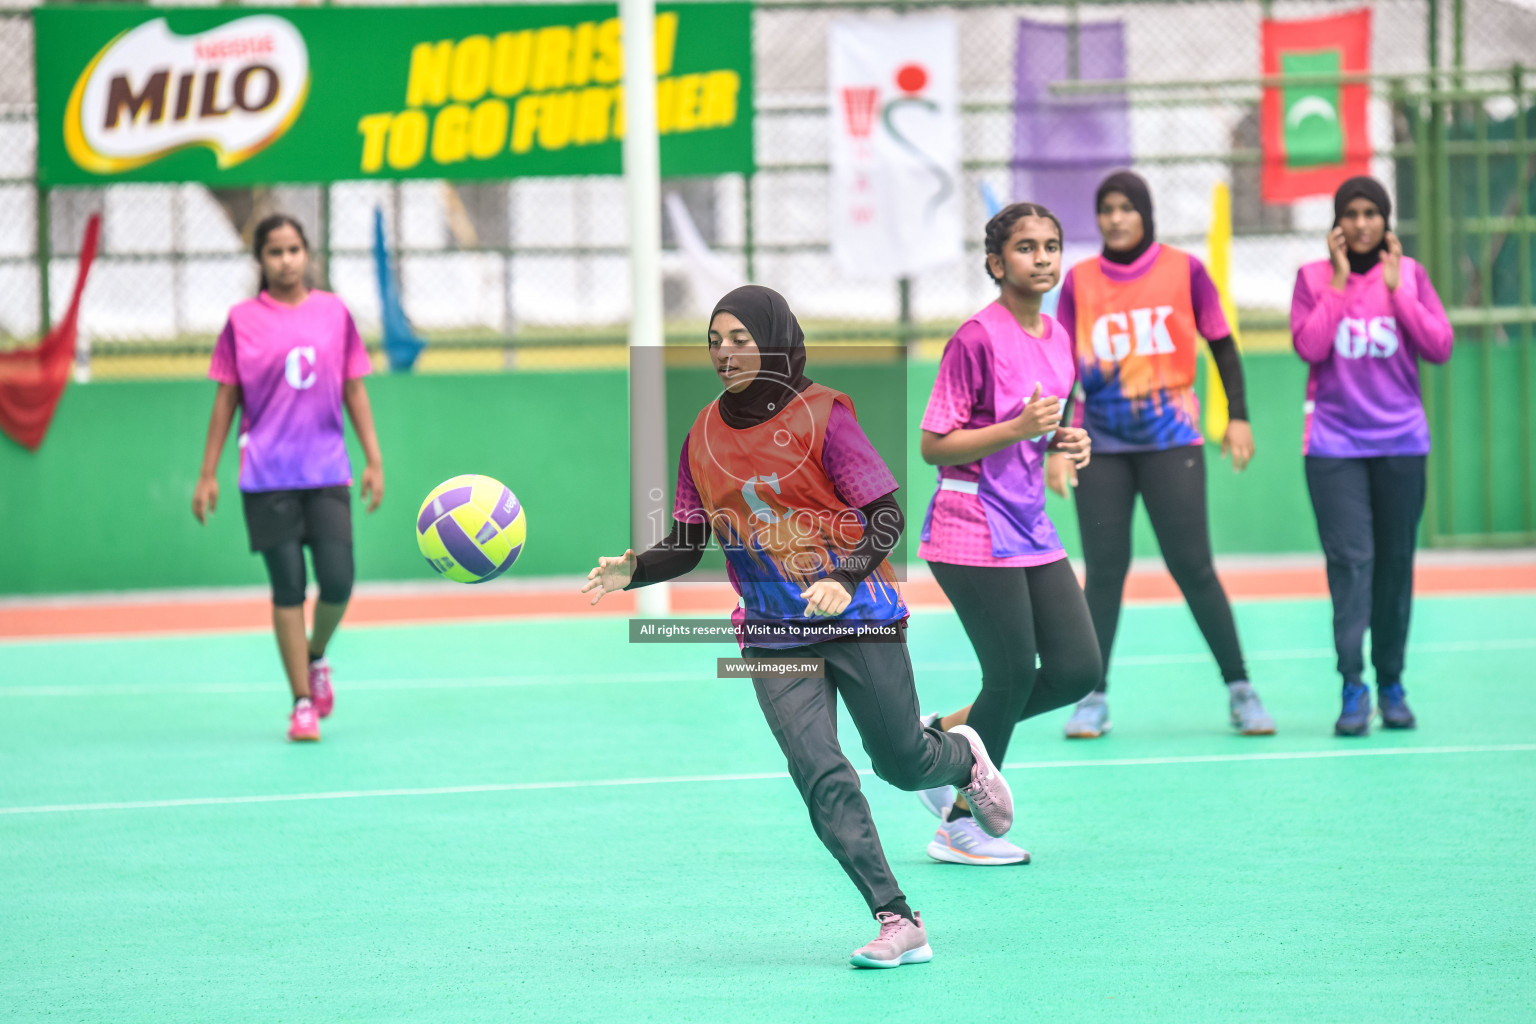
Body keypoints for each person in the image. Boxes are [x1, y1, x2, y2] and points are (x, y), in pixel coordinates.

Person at [582, 285, 1013, 969]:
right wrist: (632, 568)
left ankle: (960, 757)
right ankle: (897, 917)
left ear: (775, 341)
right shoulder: (702, 435)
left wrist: (841, 580)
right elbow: (689, 542)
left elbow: (885, 519)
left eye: (740, 339)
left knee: (901, 762)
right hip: (772, 632)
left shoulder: (824, 415)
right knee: (818, 770)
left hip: (858, 617)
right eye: (715, 340)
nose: (724, 352)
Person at [908, 203, 1101, 866]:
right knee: (1013, 671)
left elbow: (1047, 427)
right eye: (1026, 247)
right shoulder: (975, 338)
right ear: (997, 263)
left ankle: (941, 739)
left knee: (1078, 669)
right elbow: (935, 445)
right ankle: (961, 825)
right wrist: (1017, 430)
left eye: (1051, 245)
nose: (1042, 257)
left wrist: (1066, 443)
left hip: (1029, 523)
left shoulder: (1059, 337)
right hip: (969, 522)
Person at [1053, 170, 1275, 738]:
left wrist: (1241, 414)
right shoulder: (1079, 281)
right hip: (1101, 446)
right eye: (1107, 208)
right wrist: (1057, 440)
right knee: (1104, 571)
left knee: (1193, 567)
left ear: (1146, 214)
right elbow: (1058, 369)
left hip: (1172, 443)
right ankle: (1092, 697)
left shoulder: (1185, 270)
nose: (1116, 218)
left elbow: (1222, 343)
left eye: (1127, 207)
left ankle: (1241, 688)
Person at [192, 214, 383, 743]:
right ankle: (301, 701)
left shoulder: (334, 313)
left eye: (294, 249)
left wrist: (374, 459)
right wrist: (208, 473)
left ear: (307, 254)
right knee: (288, 589)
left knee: (339, 580)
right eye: (274, 252)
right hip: (267, 475)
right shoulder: (241, 320)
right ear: (261, 260)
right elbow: (226, 397)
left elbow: (355, 389)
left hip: (326, 470)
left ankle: (316, 655)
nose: (286, 260)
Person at [1291, 176, 1453, 735]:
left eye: (1372, 213)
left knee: (1393, 569)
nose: (1362, 223)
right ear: (1338, 223)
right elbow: (1308, 346)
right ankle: (1353, 684)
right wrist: (1338, 284)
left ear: (1386, 220)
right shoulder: (1313, 279)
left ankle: (1392, 681)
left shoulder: (1409, 276)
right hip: (1334, 448)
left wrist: (1398, 291)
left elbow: (1439, 346)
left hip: (1402, 445)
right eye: (1351, 213)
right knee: (1350, 566)